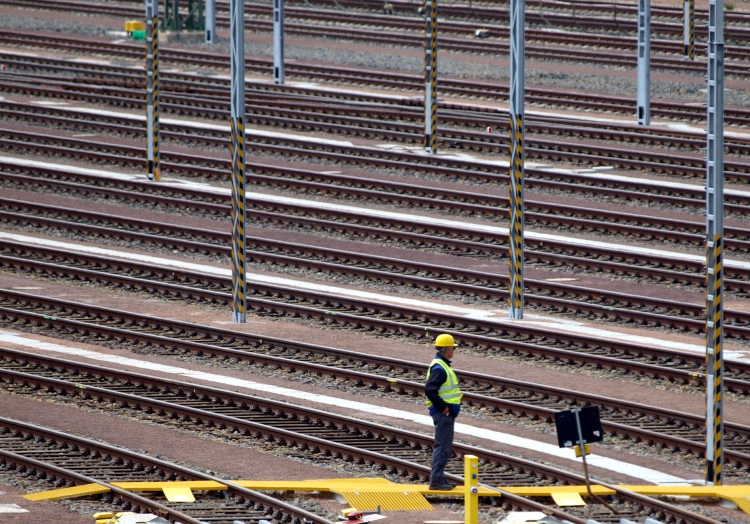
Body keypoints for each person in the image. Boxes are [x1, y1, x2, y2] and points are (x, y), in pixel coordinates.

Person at [425, 333, 463, 491]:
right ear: (447, 349)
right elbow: (430, 389)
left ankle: (439, 478)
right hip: (443, 414)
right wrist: (443, 407)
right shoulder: (440, 368)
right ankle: (436, 480)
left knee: (444, 447)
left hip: (446, 413)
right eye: (452, 348)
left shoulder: (442, 365)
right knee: (442, 447)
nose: (453, 350)